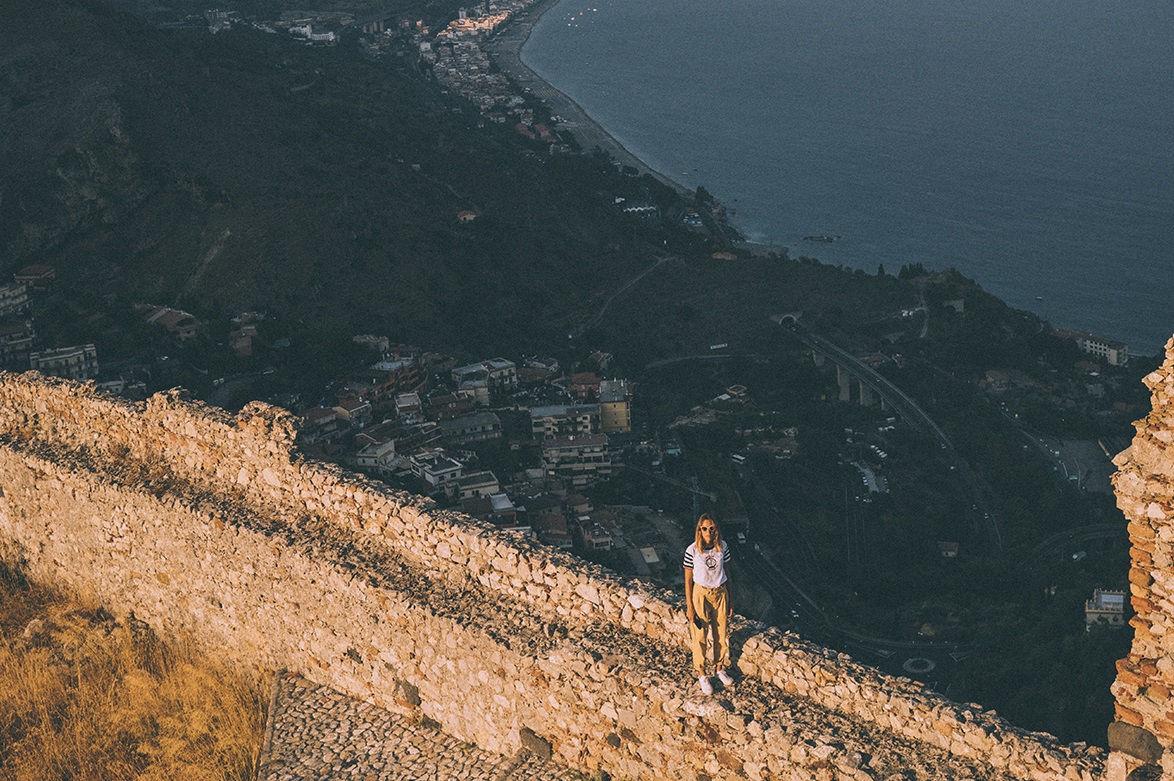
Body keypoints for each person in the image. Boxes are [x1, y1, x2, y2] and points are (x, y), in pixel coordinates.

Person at [683, 513, 733, 695]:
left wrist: (731, 599)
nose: (708, 532)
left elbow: (727, 572)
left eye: (712, 528)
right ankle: (702, 673)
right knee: (700, 635)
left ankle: (719, 668)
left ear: (716, 529)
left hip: (720, 592)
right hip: (701, 593)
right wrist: (689, 606)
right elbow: (688, 579)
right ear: (699, 530)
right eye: (704, 528)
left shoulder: (723, 547)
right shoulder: (693, 551)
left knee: (721, 632)